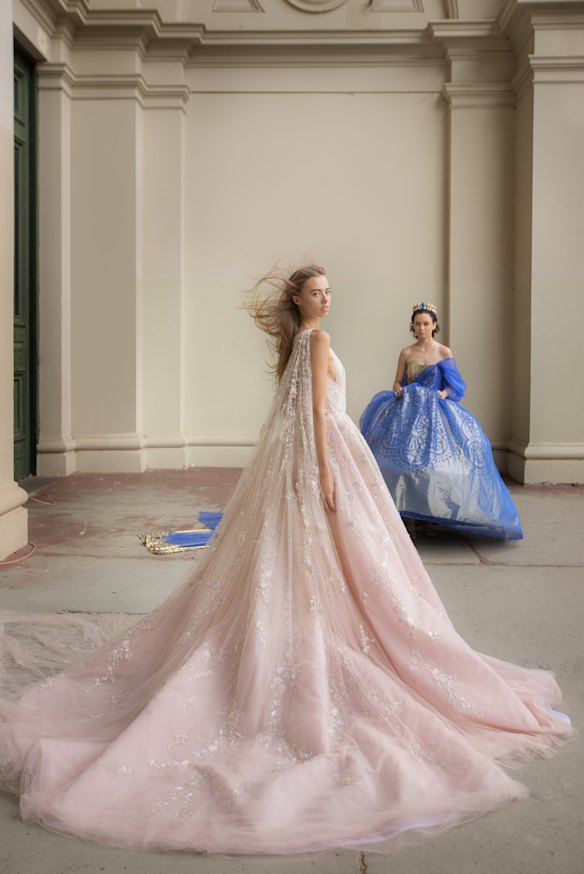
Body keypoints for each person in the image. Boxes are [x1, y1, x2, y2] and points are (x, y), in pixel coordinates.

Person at [0, 267, 570, 856]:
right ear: (298, 299)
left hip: (317, 452)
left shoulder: (300, 340)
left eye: (328, 290)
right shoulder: (315, 339)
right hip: (329, 453)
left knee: (341, 559)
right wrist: (324, 471)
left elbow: (298, 407)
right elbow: (318, 413)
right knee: (357, 561)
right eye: (317, 291)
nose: (327, 298)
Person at [360, 302, 523, 541]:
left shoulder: (444, 352)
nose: (422, 327)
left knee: (436, 464)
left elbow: (455, 385)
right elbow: (396, 381)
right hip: (408, 411)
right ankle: (408, 518)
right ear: (413, 327)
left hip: (436, 411)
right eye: (417, 324)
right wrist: (399, 390)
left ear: (434, 325)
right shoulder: (406, 352)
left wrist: (442, 395)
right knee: (399, 464)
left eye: (426, 323)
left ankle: (430, 516)